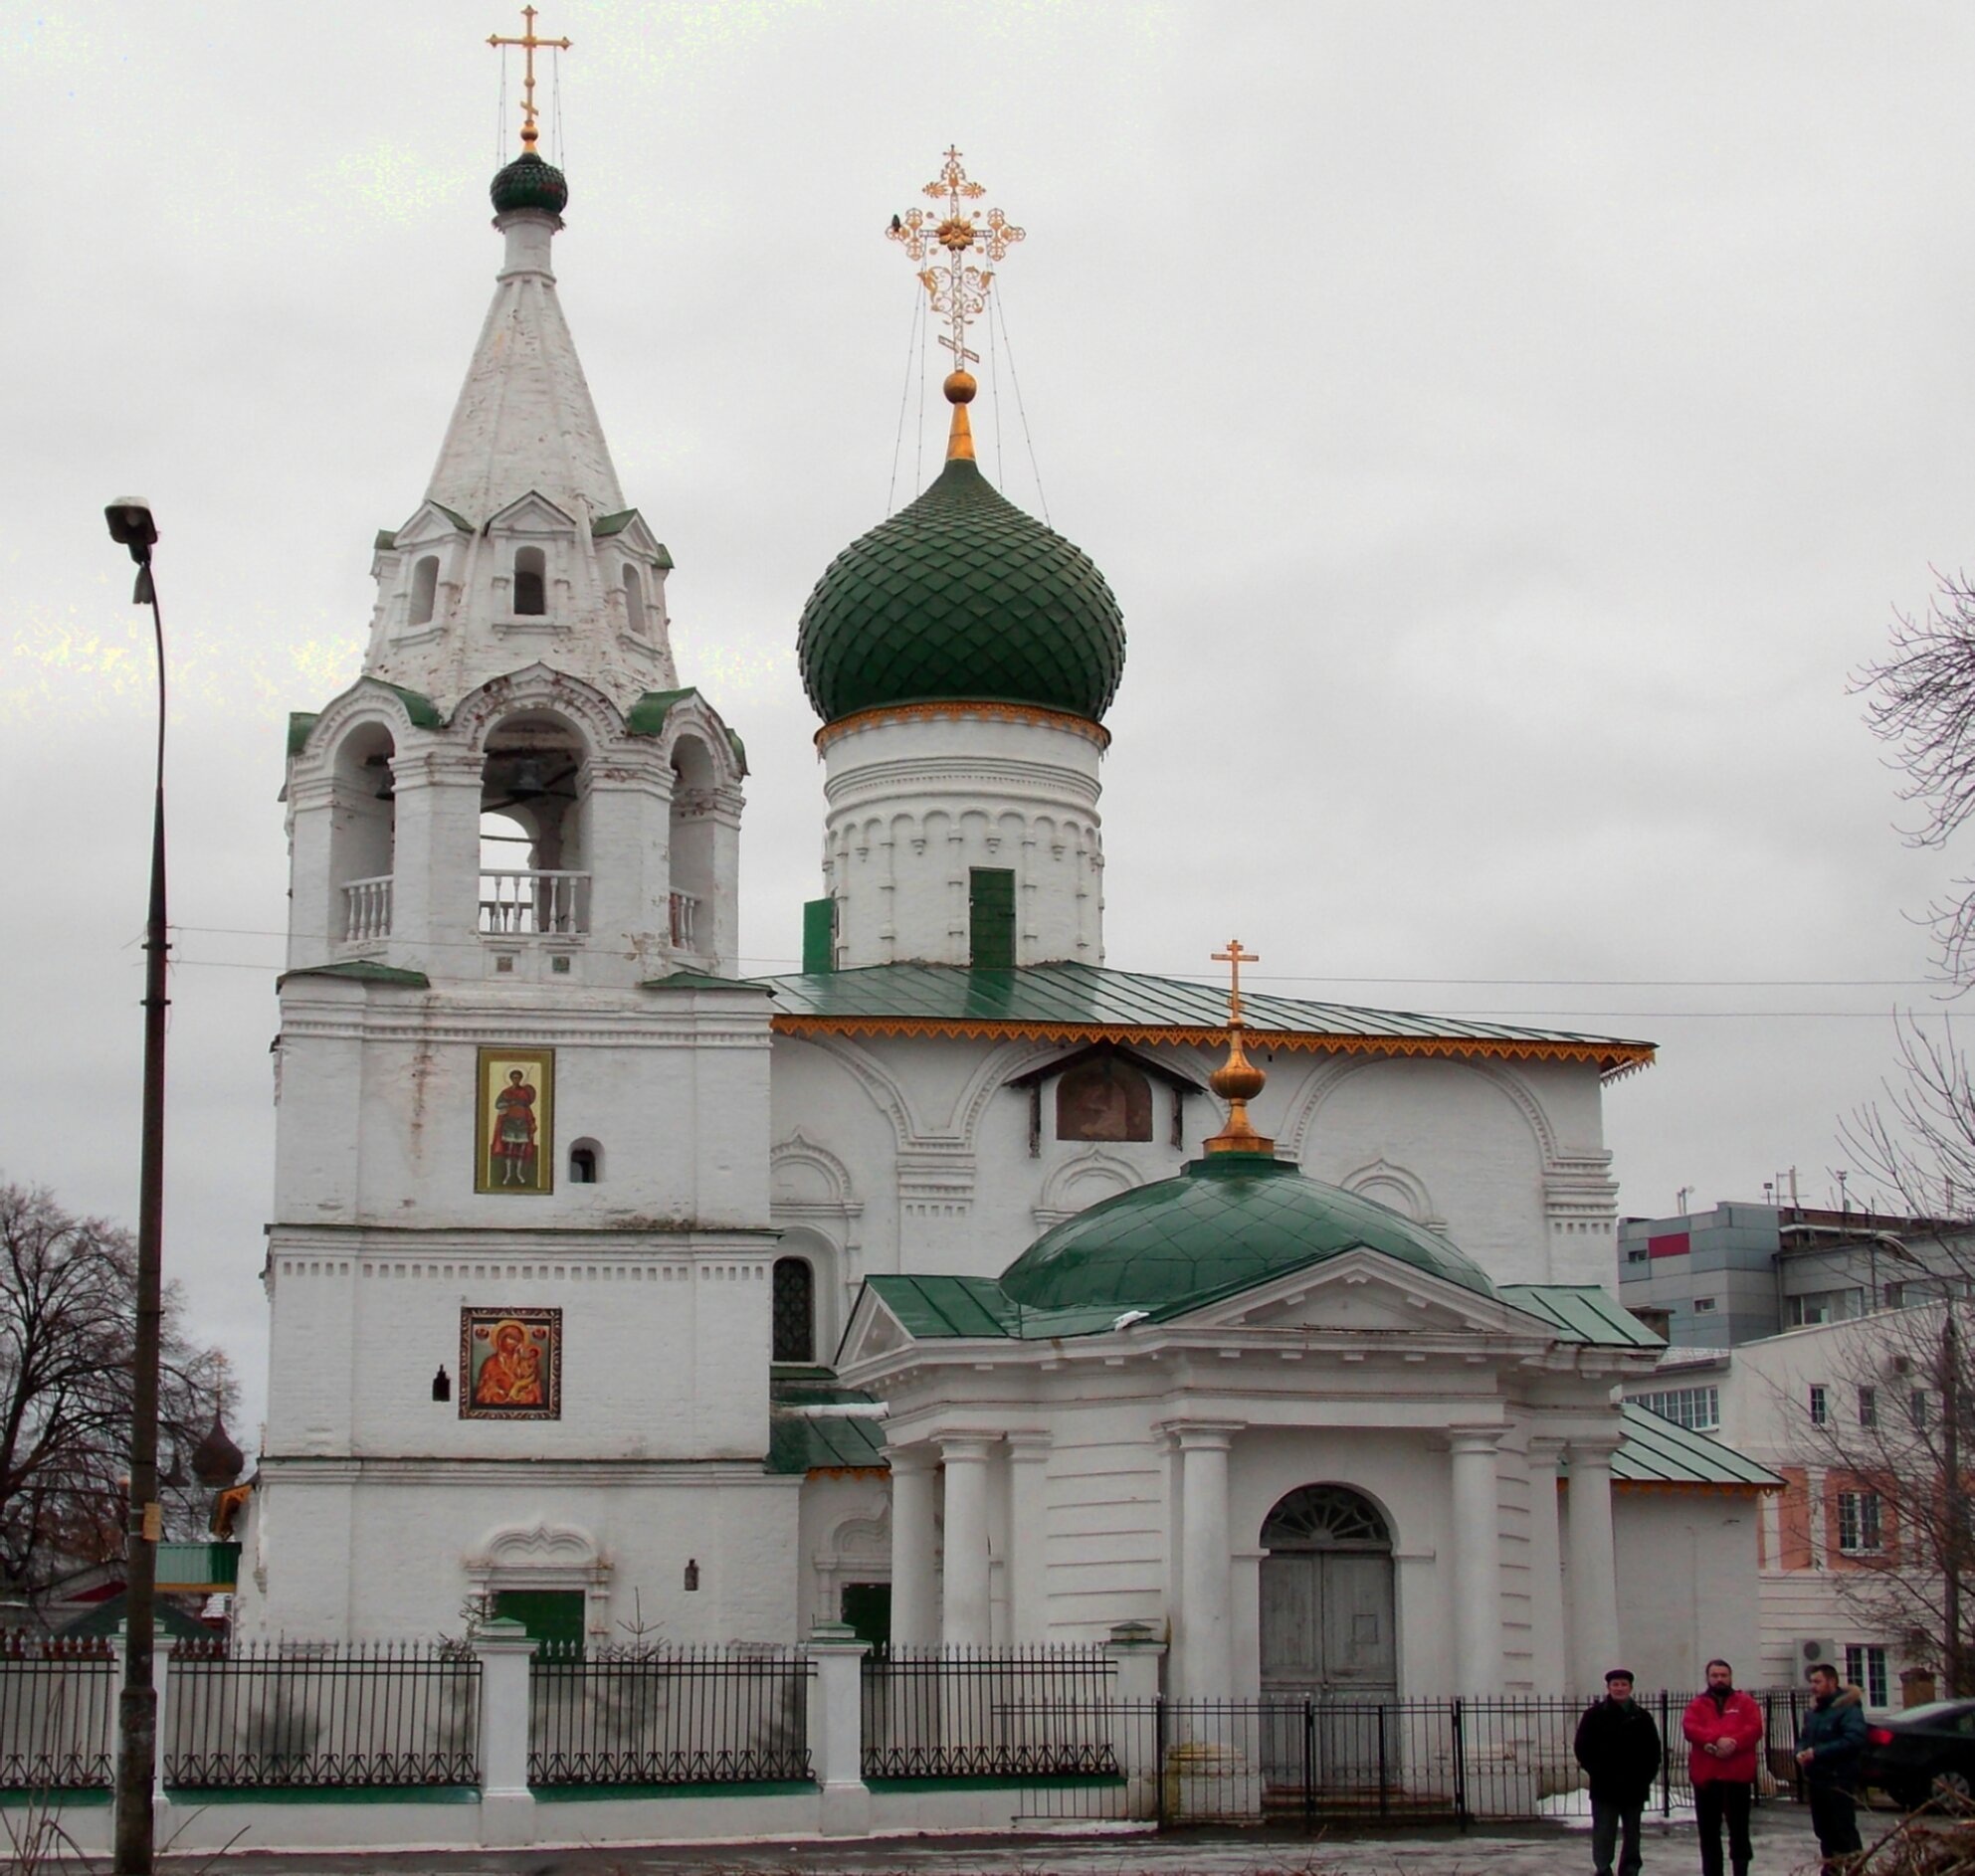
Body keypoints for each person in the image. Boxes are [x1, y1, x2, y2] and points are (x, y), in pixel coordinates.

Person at [1576, 1668, 1664, 1876]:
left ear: (1630, 1688)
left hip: (1635, 1785)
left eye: (1623, 1684)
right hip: (1604, 1784)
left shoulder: (1642, 1717)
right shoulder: (1594, 1715)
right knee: (1604, 1831)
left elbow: (1653, 1750)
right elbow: (1582, 1747)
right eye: (1615, 1684)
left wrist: (1645, 1777)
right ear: (1608, 1687)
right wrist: (1597, 1771)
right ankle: (1603, 1867)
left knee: (1633, 1832)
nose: (1619, 1688)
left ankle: (1631, 1867)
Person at [1683, 1657, 1763, 1876]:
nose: (1719, 1679)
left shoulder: (1745, 1702)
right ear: (1708, 1678)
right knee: (1708, 1835)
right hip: (1707, 1778)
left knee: (1739, 1833)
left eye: (1723, 1675)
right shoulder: (1697, 1704)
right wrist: (1717, 1740)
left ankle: (1741, 1871)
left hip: (1737, 1778)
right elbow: (1691, 1728)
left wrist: (1733, 1743)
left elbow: (1754, 1728)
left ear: (1730, 1677)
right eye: (1715, 1675)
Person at [1795, 1662, 1867, 1866]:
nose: (1813, 1686)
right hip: (1817, 1779)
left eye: (1818, 1681)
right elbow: (1804, 1738)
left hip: (1838, 1778)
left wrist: (1817, 1753)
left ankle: (1854, 1868)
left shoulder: (1848, 1710)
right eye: (1812, 1682)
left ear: (1832, 1682)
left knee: (1843, 1831)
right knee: (1824, 1832)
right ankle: (1831, 1869)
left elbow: (1853, 1740)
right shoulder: (1814, 1712)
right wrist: (1800, 1752)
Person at [491, 1068, 538, 1186]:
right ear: (511, 1079)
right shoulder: (506, 1092)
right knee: (509, 1150)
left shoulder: (524, 1092)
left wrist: (531, 1122)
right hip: (510, 1123)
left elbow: (528, 1107)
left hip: (522, 1123)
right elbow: (498, 1104)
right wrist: (509, 1103)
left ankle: (519, 1174)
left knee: (521, 1150)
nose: (516, 1080)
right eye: (514, 1077)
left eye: (518, 1077)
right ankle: (508, 1174)